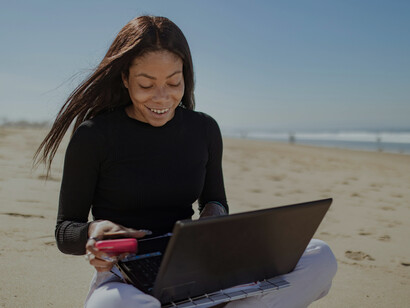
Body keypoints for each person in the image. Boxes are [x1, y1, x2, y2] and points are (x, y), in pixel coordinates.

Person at [35, 16, 337, 308]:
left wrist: (213, 217)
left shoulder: (203, 129)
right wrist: (94, 230)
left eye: (173, 82)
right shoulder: (94, 136)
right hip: (125, 275)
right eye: (147, 84)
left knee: (320, 255)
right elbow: (65, 231)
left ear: (185, 77)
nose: (162, 97)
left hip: (199, 264)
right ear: (125, 78)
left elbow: (216, 200)